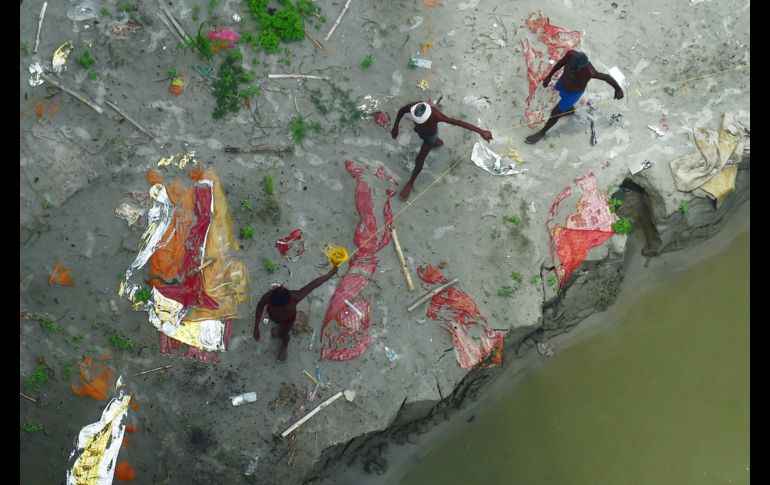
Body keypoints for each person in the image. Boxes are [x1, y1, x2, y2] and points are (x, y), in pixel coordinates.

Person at [391, 101, 493, 200]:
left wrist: (481, 131)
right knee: (432, 140)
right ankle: (437, 142)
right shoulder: (413, 106)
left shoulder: (436, 115)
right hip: (420, 131)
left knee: (420, 159)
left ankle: (411, 182)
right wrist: (395, 126)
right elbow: (402, 111)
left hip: (430, 136)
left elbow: (458, 122)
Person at [525, 50, 624, 145]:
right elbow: (560, 63)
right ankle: (570, 110)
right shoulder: (571, 54)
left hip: (572, 94)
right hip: (562, 83)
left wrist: (618, 89)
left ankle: (542, 132)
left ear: (583, 67)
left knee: (555, 113)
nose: (572, 70)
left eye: (575, 70)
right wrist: (549, 76)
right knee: (560, 95)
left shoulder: (590, 71)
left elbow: (606, 77)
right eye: (571, 67)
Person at [253, 266, 338, 361]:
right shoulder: (268, 297)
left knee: (283, 335)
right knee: (276, 327)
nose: (278, 310)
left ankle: (285, 346)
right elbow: (260, 306)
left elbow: (315, 283)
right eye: (274, 306)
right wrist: (256, 326)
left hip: (287, 321)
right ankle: (277, 328)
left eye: (280, 309)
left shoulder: (296, 297)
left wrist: (330, 274)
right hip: (273, 317)